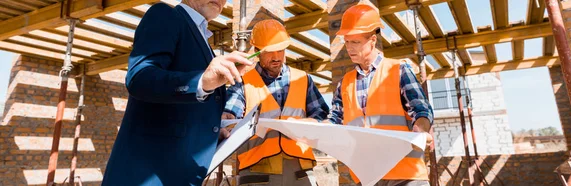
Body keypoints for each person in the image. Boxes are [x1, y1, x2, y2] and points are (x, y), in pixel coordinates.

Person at [102, 0, 254, 185]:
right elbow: (140, 78)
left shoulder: (201, 39)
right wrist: (201, 81)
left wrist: (211, 132)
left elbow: (182, 111)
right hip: (148, 176)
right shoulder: (165, 15)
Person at [328, 4, 434, 186]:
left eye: (356, 42)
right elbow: (333, 121)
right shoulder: (345, 83)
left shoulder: (398, 70)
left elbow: (422, 110)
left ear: (372, 40)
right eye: (347, 42)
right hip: (367, 176)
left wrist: (421, 128)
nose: (349, 48)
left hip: (405, 175)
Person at [221, 19, 330, 186]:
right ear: (257, 51)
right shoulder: (243, 82)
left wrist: (308, 123)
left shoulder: (303, 79)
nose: (276, 57)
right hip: (257, 173)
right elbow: (230, 116)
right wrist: (226, 118)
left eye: (280, 50)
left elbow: (321, 115)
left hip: (300, 172)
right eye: (270, 51)